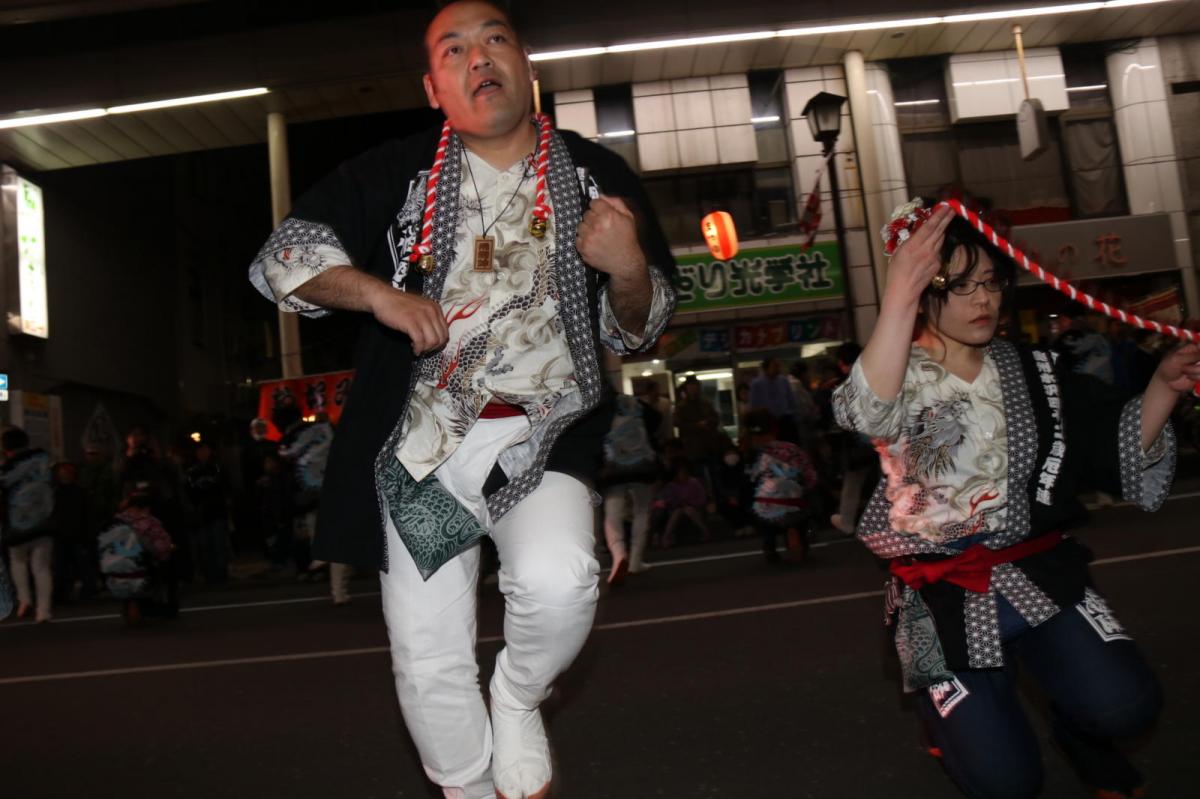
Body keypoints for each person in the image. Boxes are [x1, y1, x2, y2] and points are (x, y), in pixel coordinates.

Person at [247, 2, 674, 796]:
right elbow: (283, 260)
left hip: (541, 436)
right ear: (432, 86)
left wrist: (626, 267)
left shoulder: (596, 174)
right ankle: (469, 788)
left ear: (528, 66)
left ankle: (517, 695)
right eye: (455, 49)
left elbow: (644, 328)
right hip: (422, 452)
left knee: (560, 581)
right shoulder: (394, 170)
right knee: (428, 651)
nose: (479, 58)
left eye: (496, 39)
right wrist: (376, 292)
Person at [832, 198, 1200, 799]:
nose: (983, 301)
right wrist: (897, 293)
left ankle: (1078, 731)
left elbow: (1112, 446)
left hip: (1034, 566)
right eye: (961, 286)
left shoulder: (1038, 369)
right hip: (930, 592)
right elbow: (861, 410)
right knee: (1001, 782)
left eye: (992, 283)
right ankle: (945, 720)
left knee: (1127, 706)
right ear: (923, 290)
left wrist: (1164, 385)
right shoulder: (894, 370)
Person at [743, 410, 817, 564]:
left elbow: (748, 481)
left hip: (765, 505)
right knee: (799, 506)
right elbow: (810, 476)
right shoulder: (791, 448)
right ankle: (798, 535)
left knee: (761, 504)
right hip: (795, 502)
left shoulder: (753, 454)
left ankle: (769, 546)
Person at [600, 393, 660, 582]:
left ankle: (619, 554)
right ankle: (636, 560)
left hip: (614, 467)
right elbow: (657, 419)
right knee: (641, 511)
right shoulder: (638, 406)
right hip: (642, 465)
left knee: (612, 513)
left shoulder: (603, 407)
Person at [1, 426, 56, 622]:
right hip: (44, 519)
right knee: (41, 567)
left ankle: (24, 600)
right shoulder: (43, 460)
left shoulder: (7, 468)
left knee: (18, 561)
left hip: (18, 522)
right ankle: (44, 612)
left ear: (6, 448)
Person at [184, 441, 229, 584]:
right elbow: (189, 491)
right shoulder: (191, 471)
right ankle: (210, 575)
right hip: (201, 514)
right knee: (206, 546)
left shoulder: (217, 468)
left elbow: (225, 488)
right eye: (200, 450)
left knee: (218, 544)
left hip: (217, 511)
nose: (202, 453)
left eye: (205, 450)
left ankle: (221, 575)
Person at [748, 357, 798, 442]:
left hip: (784, 419)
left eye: (778, 366)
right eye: (775, 366)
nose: (778, 368)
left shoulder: (783, 380)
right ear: (766, 368)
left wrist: (792, 413)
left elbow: (791, 399)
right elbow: (753, 405)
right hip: (767, 421)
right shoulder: (756, 384)